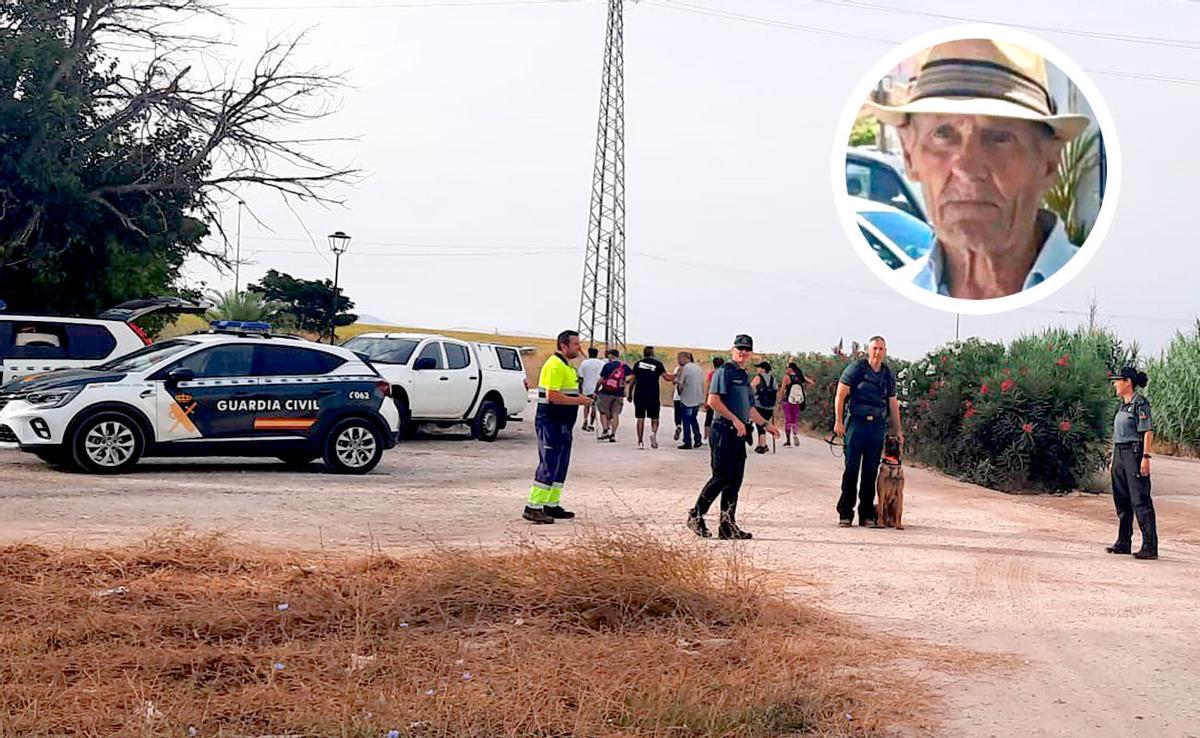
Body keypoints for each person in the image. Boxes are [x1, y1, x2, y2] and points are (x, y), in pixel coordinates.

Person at [866, 39, 1091, 300]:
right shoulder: (889, 297)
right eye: (943, 134)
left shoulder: (1094, 297)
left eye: (999, 137)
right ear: (909, 156)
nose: (967, 168)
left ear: (1049, 163)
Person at [688, 334, 778, 540]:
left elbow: (750, 408)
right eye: (739, 348)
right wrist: (735, 419)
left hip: (739, 433)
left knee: (734, 481)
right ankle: (696, 515)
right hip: (723, 430)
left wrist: (765, 424)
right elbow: (713, 400)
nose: (743, 352)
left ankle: (727, 525)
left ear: (751, 353)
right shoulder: (724, 372)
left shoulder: (744, 375)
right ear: (732, 349)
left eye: (746, 349)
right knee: (721, 477)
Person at [523, 330, 593, 525]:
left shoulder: (568, 367)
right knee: (550, 462)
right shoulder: (554, 365)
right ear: (564, 345)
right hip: (551, 421)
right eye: (576, 344)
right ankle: (533, 506)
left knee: (561, 464)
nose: (580, 348)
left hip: (563, 424)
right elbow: (553, 396)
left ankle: (551, 503)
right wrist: (580, 400)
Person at [833, 336, 903, 527]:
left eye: (881, 349)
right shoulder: (857, 369)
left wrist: (898, 430)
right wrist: (839, 422)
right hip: (856, 424)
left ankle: (867, 515)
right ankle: (845, 513)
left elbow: (892, 403)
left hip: (877, 426)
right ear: (868, 349)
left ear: (885, 351)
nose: (878, 352)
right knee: (852, 470)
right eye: (875, 348)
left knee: (871, 472)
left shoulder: (887, 374)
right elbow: (841, 395)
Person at [1106, 367, 1158, 560]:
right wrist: (1114, 458)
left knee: (1140, 499)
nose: (1115, 384)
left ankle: (1150, 546)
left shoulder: (1140, 404)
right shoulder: (1122, 405)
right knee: (1122, 498)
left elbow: (1147, 431)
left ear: (1128, 382)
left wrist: (1145, 457)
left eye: (1117, 380)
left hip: (1134, 453)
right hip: (1120, 453)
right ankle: (1123, 541)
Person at [628, 345, 675, 450]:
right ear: (653, 354)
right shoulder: (658, 364)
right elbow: (667, 378)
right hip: (653, 394)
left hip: (639, 394)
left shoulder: (638, 364)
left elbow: (632, 381)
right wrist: (677, 374)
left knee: (640, 418)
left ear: (644, 354)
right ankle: (653, 433)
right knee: (655, 418)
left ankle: (640, 441)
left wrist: (629, 394)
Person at [596, 348, 631, 443]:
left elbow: (601, 379)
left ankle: (605, 430)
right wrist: (625, 384)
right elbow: (631, 376)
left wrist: (596, 390)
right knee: (615, 414)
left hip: (606, 392)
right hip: (619, 393)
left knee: (603, 412)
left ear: (611, 355)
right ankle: (613, 434)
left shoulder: (607, 366)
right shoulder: (624, 366)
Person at [778, 361, 815, 447]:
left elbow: (782, 390)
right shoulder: (800, 376)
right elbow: (812, 382)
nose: (786, 369)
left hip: (787, 401)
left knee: (788, 420)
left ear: (791, 368)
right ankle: (795, 434)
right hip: (797, 401)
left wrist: (779, 401)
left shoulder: (786, 377)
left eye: (787, 368)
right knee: (794, 420)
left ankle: (788, 441)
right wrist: (804, 389)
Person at [674, 351, 705, 450]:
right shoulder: (698, 368)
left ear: (683, 358)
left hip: (687, 398)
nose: (678, 361)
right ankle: (698, 439)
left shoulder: (685, 369)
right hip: (697, 397)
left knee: (686, 421)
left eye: (679, 358)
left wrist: (679, 392)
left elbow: (681, 384)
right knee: (693, 419)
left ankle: (687, 441)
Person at [750, 361, 778, 454]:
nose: (757, 369)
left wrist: (753, 396)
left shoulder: (758, 377)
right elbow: (775, 391)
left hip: (759, 404)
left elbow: (751, 387)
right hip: (770, 406)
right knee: (765, 423)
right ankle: (762, 444)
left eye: (759, 367)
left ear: (763, 369)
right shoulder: (773, 379)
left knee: (760, 424)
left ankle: (762, 445)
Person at [577, 347, 605, 433]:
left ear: (589, 353)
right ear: (596, 354)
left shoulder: (584, 363)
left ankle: (585, 420)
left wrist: (579, 387)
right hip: (598, 388)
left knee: (586, 405)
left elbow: (580, 377)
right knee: (594, 406)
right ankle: (591, 424)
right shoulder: (601, 363)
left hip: (586, 387)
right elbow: (603, 376)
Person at [702, 356, 724, 442]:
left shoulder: (712, 374)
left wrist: (706, 400)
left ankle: (706, 436)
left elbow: (708, 387)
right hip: (722, 400)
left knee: (709, 418)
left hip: (712, 398)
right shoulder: (724, 374)